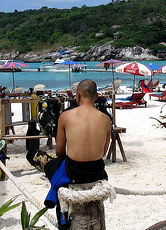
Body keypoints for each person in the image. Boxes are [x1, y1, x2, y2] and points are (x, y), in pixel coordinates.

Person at [44, 79, 112, 229]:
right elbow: (103, 152)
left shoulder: (66, 116)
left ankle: (58, 209)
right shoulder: (106, 119)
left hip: (74, 171)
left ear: (78, 94)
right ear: (96, 96)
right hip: (97, 171)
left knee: (50, 165)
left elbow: (59, 151)